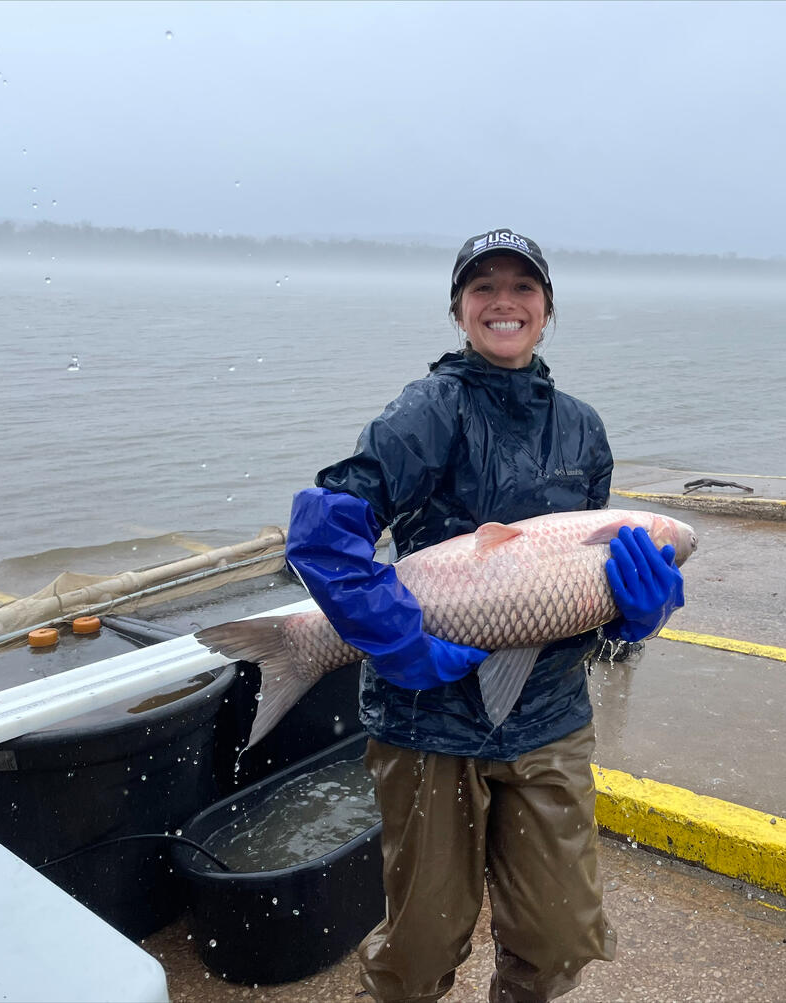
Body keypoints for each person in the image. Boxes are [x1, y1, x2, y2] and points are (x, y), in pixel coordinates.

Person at [284, 228, 685, 1003]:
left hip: (550, 719)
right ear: (460, 310)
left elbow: (588, 607)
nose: (505, 302)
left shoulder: (583, 428)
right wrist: (396, 641)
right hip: (426, 720)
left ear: (548, 309)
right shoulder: (428, 411)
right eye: (484, 288)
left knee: (560, 935)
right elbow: (323, 536)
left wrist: (632, 620)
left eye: (523, 288)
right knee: (424, 940)